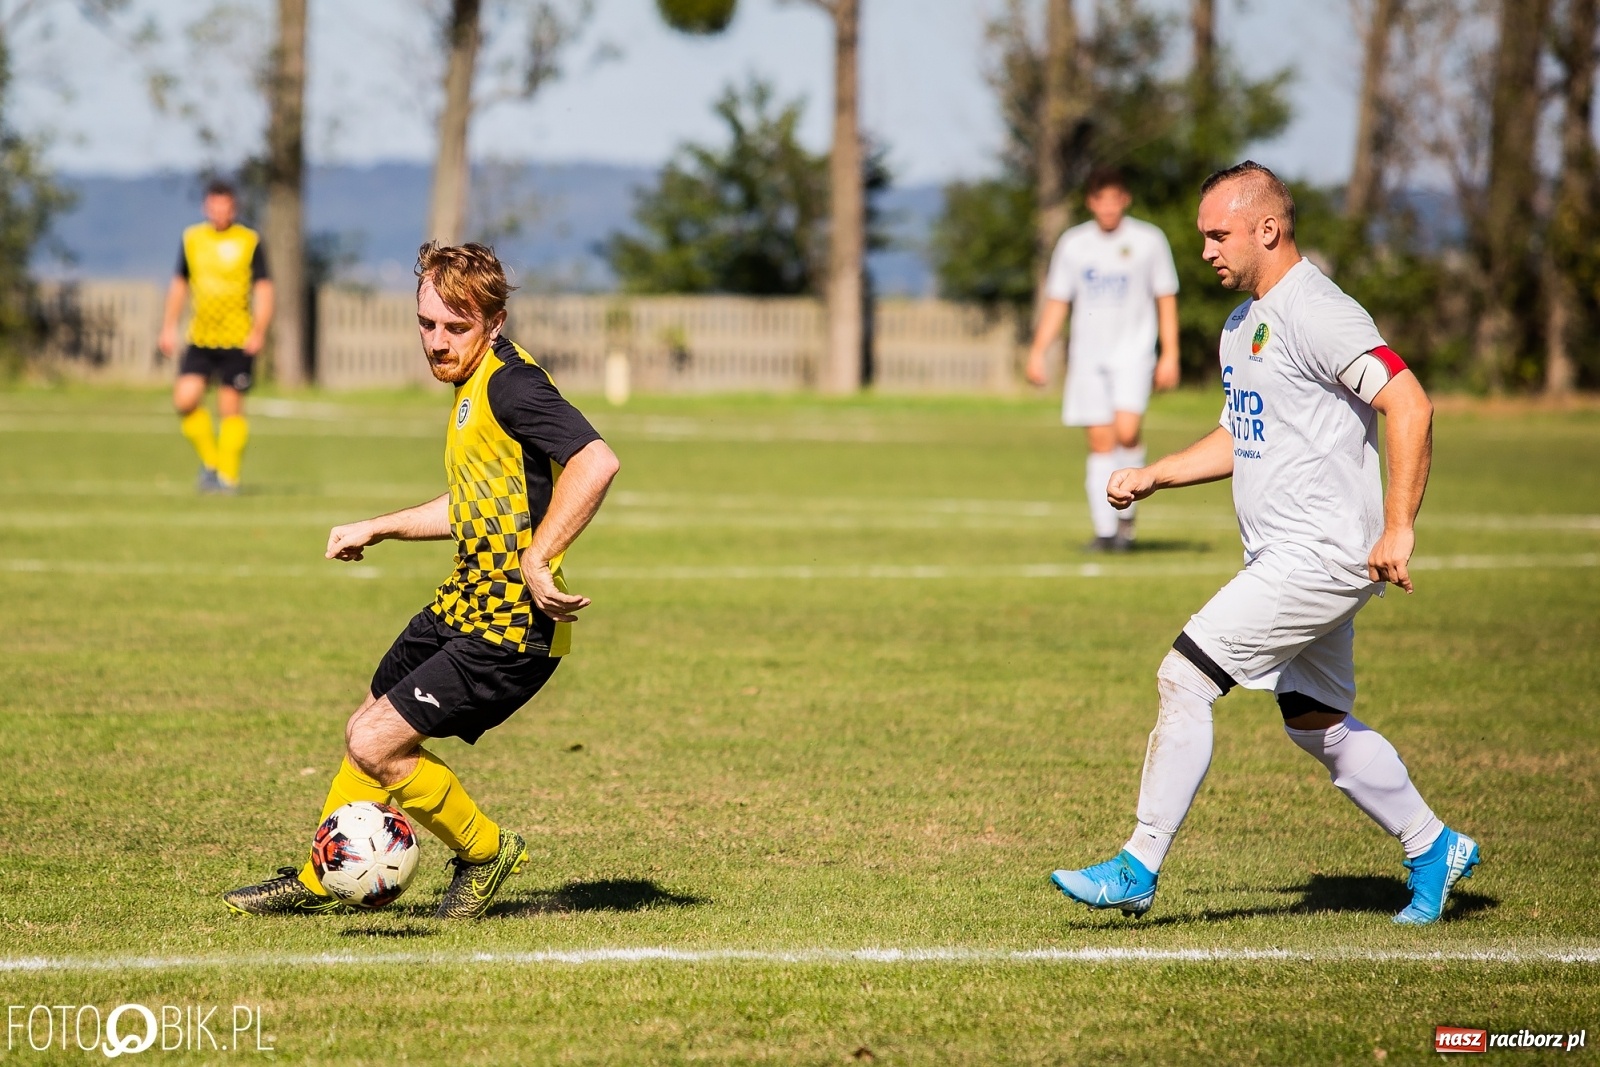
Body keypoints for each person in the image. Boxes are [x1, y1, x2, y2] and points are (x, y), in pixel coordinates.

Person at [1049, 161, 1479, 926]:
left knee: (1185, 675)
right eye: (1203, 236)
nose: (1206, 250)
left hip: (1319, 554)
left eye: (1219, 234)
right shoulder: (1241, 324)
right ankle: (1434, 845)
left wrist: (1399, 526)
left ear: (1268, 229)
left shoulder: (1319, 310)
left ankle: (1138, 865)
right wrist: (1155, 475)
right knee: (1313, 716)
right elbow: (1240, 434)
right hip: (1286, 554)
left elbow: (1409, 403)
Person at [224, 242, 620, 919]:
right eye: (427, 324)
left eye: (455, 327)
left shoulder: (512, 385)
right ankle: (323, 877)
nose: (437, 341)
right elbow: (474, 505)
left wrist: (540, 556)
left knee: (376, 741)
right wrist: (378, 526)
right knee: (366, 723)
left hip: (511, 628)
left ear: (494, 322)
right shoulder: (474, 384)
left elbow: (596, 460)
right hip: (466, 602)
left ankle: (486, 851)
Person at [1025, 167, 1181, 552]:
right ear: (1091, 202)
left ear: (1125, 199)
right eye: (1101, 199)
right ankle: (1105, 530)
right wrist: (1038, 351)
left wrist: (1170, 354)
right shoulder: (1074, 244)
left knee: (1126, 433)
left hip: (1134, 352)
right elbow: (1058, 301)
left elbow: (1165, 297)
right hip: (1088, 358)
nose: (1108, 206)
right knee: (1099, 441)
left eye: (1115, 198)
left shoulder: (1148, 240)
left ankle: (1126, 519)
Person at [158, 178, 273, 494]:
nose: (220, 213)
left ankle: (228, 477)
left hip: (237, 338)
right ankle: (211, 462)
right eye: (215, 207)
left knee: (229, 408)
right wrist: (168, 326)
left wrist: (259, 330)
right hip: (201, 337)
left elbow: (264, 288)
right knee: (185, 399)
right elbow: (179, 283)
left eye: (226, 207)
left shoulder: (249, 240)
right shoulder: (192, 239)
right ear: (205, 207)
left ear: (234, 208)